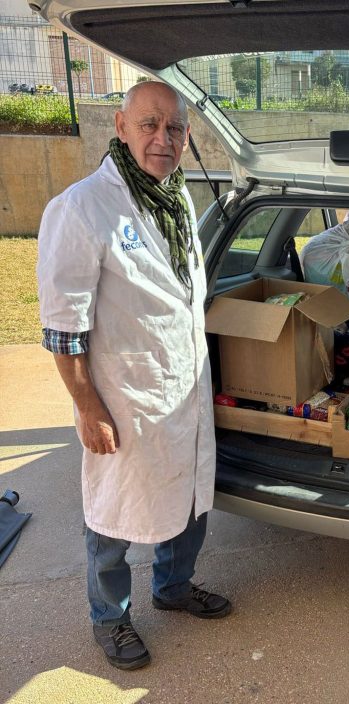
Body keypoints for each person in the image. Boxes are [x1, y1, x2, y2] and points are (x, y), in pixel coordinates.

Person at [37, 81, 230, 671]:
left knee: (190, 502)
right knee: (114, 518)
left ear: (187, 136)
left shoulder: (177, 202)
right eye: (148, 125)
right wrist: (87, 405)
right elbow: (64, 327)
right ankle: (110, 618)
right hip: (125, 397)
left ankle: (172, 588)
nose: (162, 139)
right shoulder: (82, 208)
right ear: (120, 126)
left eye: (173, 128)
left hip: (181, 391)